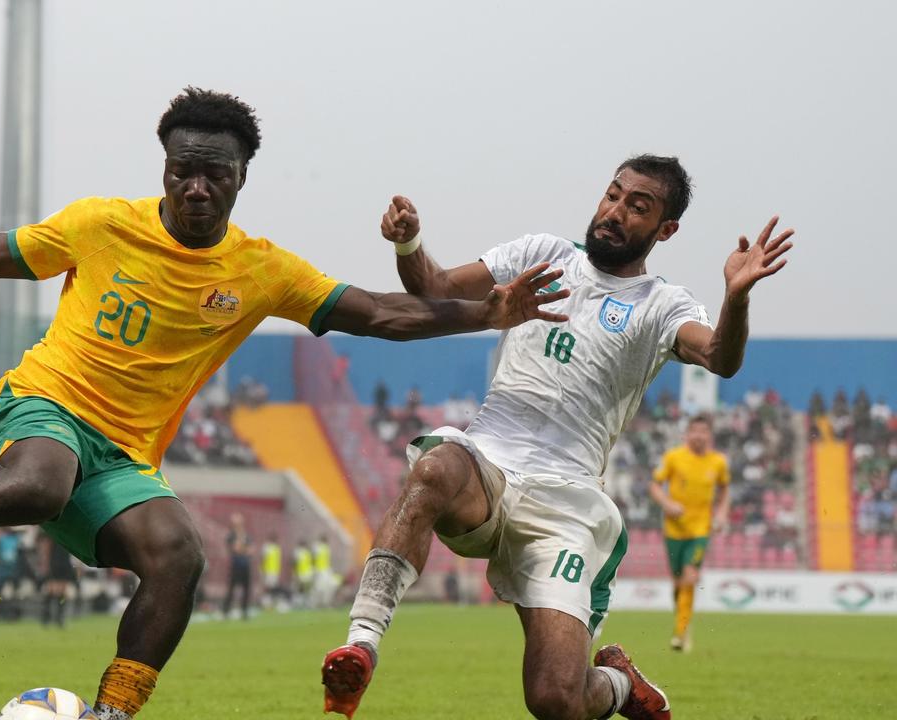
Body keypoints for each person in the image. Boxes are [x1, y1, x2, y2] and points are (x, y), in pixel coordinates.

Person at [0, 87, 566, 720]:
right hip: (41, 407)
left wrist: (486, 312)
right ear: (164, 168)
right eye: (184, 169)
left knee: (180, 555)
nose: (198, 187)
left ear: (243, 178)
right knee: (41, 482)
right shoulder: (101, 224)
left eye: (217, 173)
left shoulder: (264, 271)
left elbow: (383, 314)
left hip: (121, 457)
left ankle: (110, 712)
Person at [322, 155, 793, 720]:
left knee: (556, 698)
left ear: (665, 230)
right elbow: (436, 287)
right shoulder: (543, 254)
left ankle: (618, 687)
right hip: (488, 464)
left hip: (566, 500)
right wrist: (408, 243)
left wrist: (736, 297)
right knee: (435, 467)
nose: (615, 212)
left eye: (637, 207)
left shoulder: (661, 305)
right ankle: (361, 645)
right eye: (613, 195)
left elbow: (720, 357)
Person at [648, 414, 730, 652]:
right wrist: (667, 504)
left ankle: (680, 633)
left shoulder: (718, 462)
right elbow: (654, 484)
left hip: (700, 530)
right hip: (673, 530)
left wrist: (722, 514)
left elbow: (725, 490)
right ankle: (682, 621)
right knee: (677, 583)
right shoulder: (673, 457)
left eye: (703, 431)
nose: (699, 435)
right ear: (687, 434)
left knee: (690, 577)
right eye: (694, 431)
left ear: (709, 435)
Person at [221, 514, 252, 620]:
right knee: (232, 588)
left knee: (246, 588)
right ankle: (226, 611)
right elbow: (236, 548)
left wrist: (244, 549)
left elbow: (250, 550)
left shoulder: (246, 535)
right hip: (236, 565)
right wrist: (245, 549)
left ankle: (244, 611)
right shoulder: (231, 535)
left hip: (246, 565)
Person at [42, 537, 78, 627]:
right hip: (55, 562)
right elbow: (47, 547)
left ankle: (58, 618)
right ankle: (48, 617)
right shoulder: (54, 535)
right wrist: (46, 563)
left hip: (64, 563)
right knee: (52, 591)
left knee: (61, 592)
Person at [260, 533, 284, 608]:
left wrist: (278, 571)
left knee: (273, 587)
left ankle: (272, 603)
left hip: (275, 571)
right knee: (267, 587)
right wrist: (262, 570)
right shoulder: (267, 547)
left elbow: (278, 560)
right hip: (267, 570)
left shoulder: (277, 548)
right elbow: (263, 558)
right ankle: (265, 602)